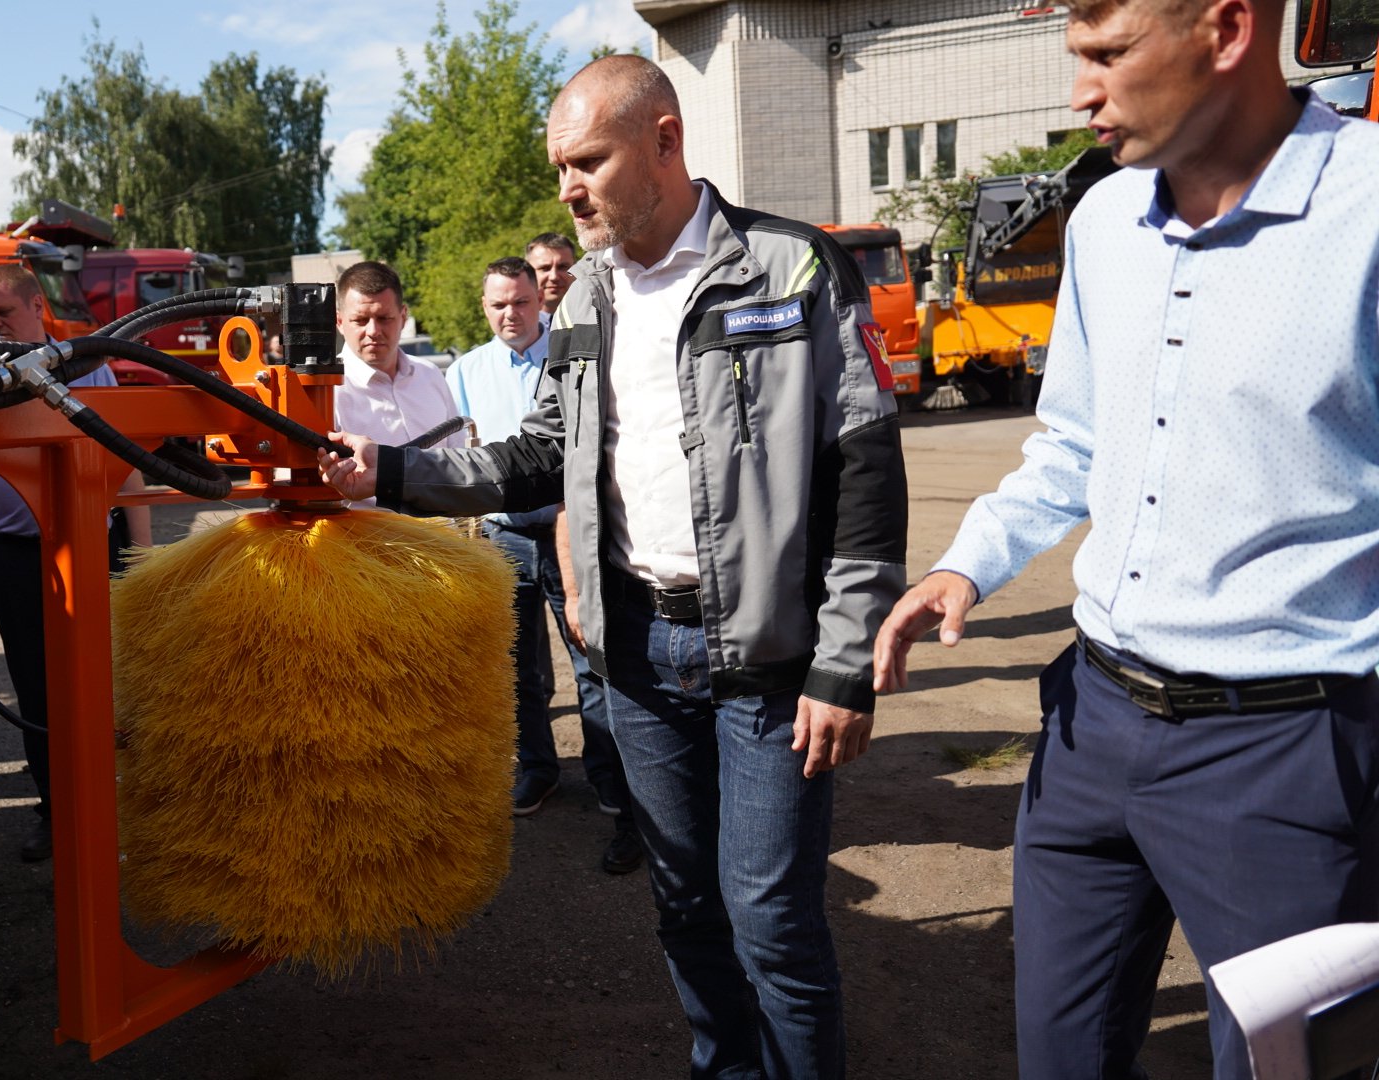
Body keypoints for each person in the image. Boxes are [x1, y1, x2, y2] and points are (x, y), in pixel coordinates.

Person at [320, 55, 906, 1080]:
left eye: (586, 160)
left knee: (769, 919)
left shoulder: (793, 267)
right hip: (639, 654)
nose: (567, 188)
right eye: (560, 167)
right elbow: (539, 451)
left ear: (666, 141)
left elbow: (865, 469)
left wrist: (846, 660)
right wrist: (391, 474)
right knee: (684, 904)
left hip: (767, 657)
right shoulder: (586, 294)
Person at [872, 1, 1379, 1076]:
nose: (1079, 92)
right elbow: (1074, 444)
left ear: (1229, 29)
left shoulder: (1370, 208)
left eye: (1107, 55)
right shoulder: (1102, 220)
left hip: (1287, 755)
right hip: (1089, 729)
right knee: (1059, 1056)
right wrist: (970, 560)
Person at [0, 263, 153, 862]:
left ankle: (114, 807)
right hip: (14, 557)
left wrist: (139, 560)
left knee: (106, 679)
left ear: (37, 308)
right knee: (35, 687)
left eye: (4, 313)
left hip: (92, 541)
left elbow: (125, 468)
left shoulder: (91, 368)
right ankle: (55, 810)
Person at [446, 256, 641, 875]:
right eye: (499, 304)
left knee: (592, 659)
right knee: (517, 666)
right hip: (503, 540)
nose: (511, 314)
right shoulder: (464, 373)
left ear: (541, 302)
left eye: (522, 302)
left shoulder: (571, 355)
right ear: (485, 308)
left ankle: (610, 780)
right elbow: (458, 457)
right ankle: (537, 769)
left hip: (568, 532)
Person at [330, 261, 465, 501]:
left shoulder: (430, 375)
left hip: (444, 533)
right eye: (361, 320)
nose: (373, 330)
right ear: (340, 322)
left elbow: (458, 457)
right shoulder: (328, 391)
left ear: (403, 317)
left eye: (384, 318)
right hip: (364, 537)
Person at [523, 232, 577, 315]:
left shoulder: (598, 320)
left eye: (562, 267)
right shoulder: (515, 325)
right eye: (545, 268)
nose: (554, 277)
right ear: (527, 273)